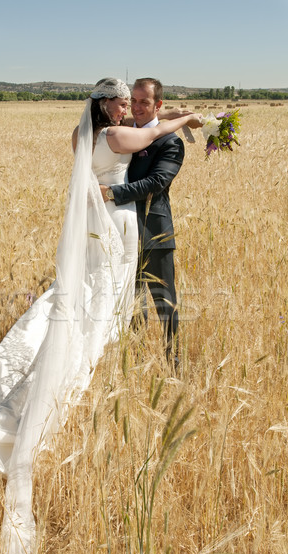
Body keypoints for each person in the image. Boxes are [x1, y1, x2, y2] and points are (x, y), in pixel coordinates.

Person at [0, 78, 202, 554]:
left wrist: (167, 118)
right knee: (102, 307)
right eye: (119, 100)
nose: (126, 107)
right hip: (112, 226)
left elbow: (149, 146)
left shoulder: (82, 135)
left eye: (132, 101)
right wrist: (186, 117)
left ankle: (140, 354)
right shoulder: (118, 136)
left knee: (101, 301)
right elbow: (145, 139)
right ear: (106, 104)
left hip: (102, 229)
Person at [100, 77, 189, 367]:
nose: (136, 108)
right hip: (119, 232)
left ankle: (172, 362)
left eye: (144, 102)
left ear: (158, 105)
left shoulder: (170, 142)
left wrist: (112, 193)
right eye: (133, 101)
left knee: (165, 304)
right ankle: (134, 365)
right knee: (131, 304)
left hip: (155, 233)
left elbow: (157, 182)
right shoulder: (121, 132)